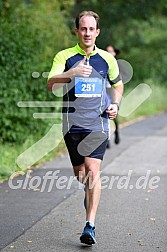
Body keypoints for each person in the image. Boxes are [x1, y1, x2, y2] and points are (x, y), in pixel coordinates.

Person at [47, 11, 123, 245]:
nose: (87, 33)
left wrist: (115, 105)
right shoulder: (65, 56)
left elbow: (117, 85)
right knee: (82, 176)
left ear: (97, 32)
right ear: (77, 31)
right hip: (73, 124)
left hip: (98, 123)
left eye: (91, 29)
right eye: (83, 28)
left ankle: (90, 225)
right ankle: (89, 193)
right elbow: (51, 85)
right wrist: (72, 73)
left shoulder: (107, 59)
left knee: (92, 172)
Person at [105, 45, 121, 147]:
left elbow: (119, 82)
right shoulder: (102, 63)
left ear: (114, 53)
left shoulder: (117, 65)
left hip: (113, 91)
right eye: (107, 51)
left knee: (114, 115)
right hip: (104, 90)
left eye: (111, 51)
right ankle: (106, 139)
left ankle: (117, 132)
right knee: (104, 114)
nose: (109, 53)